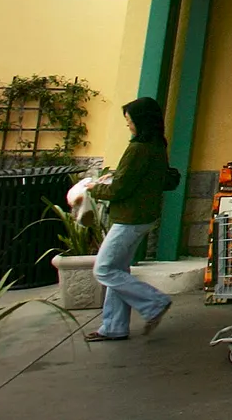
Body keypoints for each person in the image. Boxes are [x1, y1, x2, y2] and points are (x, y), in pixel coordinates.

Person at [83, 97, 174, 342]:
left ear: (140, 121)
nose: (128, 125)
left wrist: (94, 188)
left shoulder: (138, 149)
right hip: (143, 215)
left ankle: (154, 301)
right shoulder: (157, 145)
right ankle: (113, 327)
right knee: (118, 269)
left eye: (129, 120)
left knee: (103, 269)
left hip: (129, 217)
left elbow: (121, 188)